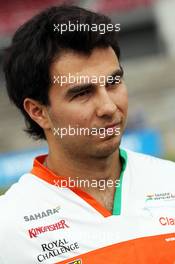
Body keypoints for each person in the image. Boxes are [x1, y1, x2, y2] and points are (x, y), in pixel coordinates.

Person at [0, 4, 175, 264]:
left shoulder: (169, 181)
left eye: (113, 82)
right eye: (82, 93)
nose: (108, 107)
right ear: (38, 111)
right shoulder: (9, 228)